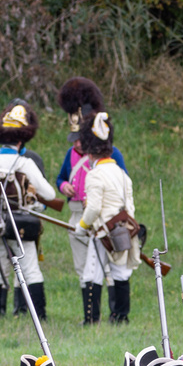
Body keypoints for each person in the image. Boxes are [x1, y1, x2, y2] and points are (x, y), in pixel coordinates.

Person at [0, 100, 59, 320]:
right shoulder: (26, 163)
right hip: (21, 224)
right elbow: (50, 195)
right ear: (21, 138)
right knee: (30, 270)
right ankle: (40, 317)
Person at [53, 77, 127, 312]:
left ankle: (112, 316)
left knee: (105, 269)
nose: (77, 145)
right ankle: (92, 315)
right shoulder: (70, 154)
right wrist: (63, 186)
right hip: (77, 212)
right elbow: (61, 177)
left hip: (102, 217)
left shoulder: (112, 156)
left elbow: (122, 185)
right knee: (84, 268)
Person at [73, 107, 138, 325]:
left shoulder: (95, 175)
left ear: (90, 153)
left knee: (92, 273)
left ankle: (91, 319)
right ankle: (120, 317)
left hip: (102, 233)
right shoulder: (121, 174)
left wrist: (81, 227)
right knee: (121, 273)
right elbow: (130, 208)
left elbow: (92, 209)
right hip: (123, 231)